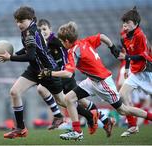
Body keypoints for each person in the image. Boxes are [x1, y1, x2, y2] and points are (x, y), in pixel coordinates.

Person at [38, 21, 152, 141]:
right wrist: (111, 46)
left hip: (103, 83)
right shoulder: (85, 41)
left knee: (123, 110)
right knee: (68, 99)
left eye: (61, 41)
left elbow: (68, 73)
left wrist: (50, 73)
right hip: (92, 80)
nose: (60, 43)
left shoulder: (73, 51)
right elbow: (102, 36)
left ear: (66, 41)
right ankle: (77, 131)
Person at [0, 6, 66, 139]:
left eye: (21, 21)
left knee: (63, 101)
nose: (18, 24)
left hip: (48, 71)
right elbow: (28, 49)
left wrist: (10, 57)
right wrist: (14, 54)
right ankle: (20, 128)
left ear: (30, 19)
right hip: (35, 70)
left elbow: (30, 56)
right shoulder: (28, 30)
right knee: (14, 92)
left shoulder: (30, 33)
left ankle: (94, 116)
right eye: (17, 21)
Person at [37, 19, 115, 137]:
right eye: (40, 30)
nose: (43, 32)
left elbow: (69, 53)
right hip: (61, 74)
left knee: (61, 98)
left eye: (44, 29)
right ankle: (103, 120)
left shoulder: (57, 41)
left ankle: (67, 119)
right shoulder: (45, 43)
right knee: (79, 101)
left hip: (64, 75)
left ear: (50, 29)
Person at [117, 7, 152, 137]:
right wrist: (126, 68)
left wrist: (127, 58)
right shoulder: (124, 38)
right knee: (122, 95)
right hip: (135, 72)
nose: (125, 25)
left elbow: (143, 56)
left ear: (136, 24)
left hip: (147, 71)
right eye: (124, 22)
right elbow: (129, 54)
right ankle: (132, 125)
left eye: (128, 22)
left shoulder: (140, 35)